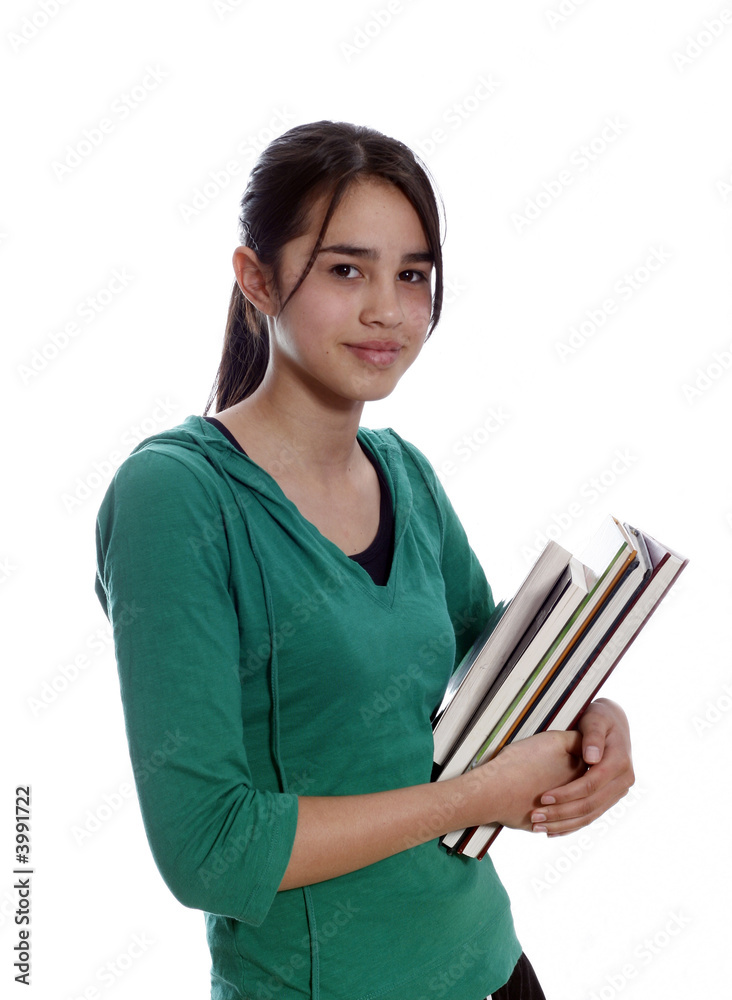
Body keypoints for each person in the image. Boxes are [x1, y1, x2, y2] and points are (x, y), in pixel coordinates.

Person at [94, 120, 634, 1000]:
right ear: (257, 278)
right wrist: (472, 800)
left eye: (412, 275)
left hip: (495, 967)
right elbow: (208, 851)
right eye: (348, 270)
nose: (388, 309)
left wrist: (593, 717)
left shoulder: (406, 475)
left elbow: (488, 675)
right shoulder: (176, 498)